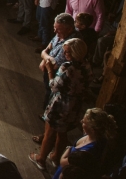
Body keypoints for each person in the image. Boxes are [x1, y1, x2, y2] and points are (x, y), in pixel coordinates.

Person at [30, 39, 91, 170]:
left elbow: (54, 86)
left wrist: (49, 70)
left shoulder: (68, 67)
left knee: (49, 132)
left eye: (67, 51)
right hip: (75, 104)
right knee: (62, 132)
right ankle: (56, 157)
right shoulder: (87, 66)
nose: (65, 53)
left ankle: (41, 159)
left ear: (76, 52)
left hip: (61, 103)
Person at [38, 108, 116, 179]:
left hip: (69, 175)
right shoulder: (92, 136)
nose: (81, 122)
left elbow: (63, 162)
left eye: (84, 122)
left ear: (92, 129)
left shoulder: (90, 150)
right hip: (65, 169)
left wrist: (68, 149)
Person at [38, 13, 82, 109]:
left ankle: (47, 111)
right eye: (54, 28)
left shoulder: (70, 45)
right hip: (49, 68)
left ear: (69, 29)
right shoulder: (61, 33)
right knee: (47, 90)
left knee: (52, 94)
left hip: (57, 76)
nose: (55, 31)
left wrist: (44, 56)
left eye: (58, 29)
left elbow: (54, 65)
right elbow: (49, 46)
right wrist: (45, 57)